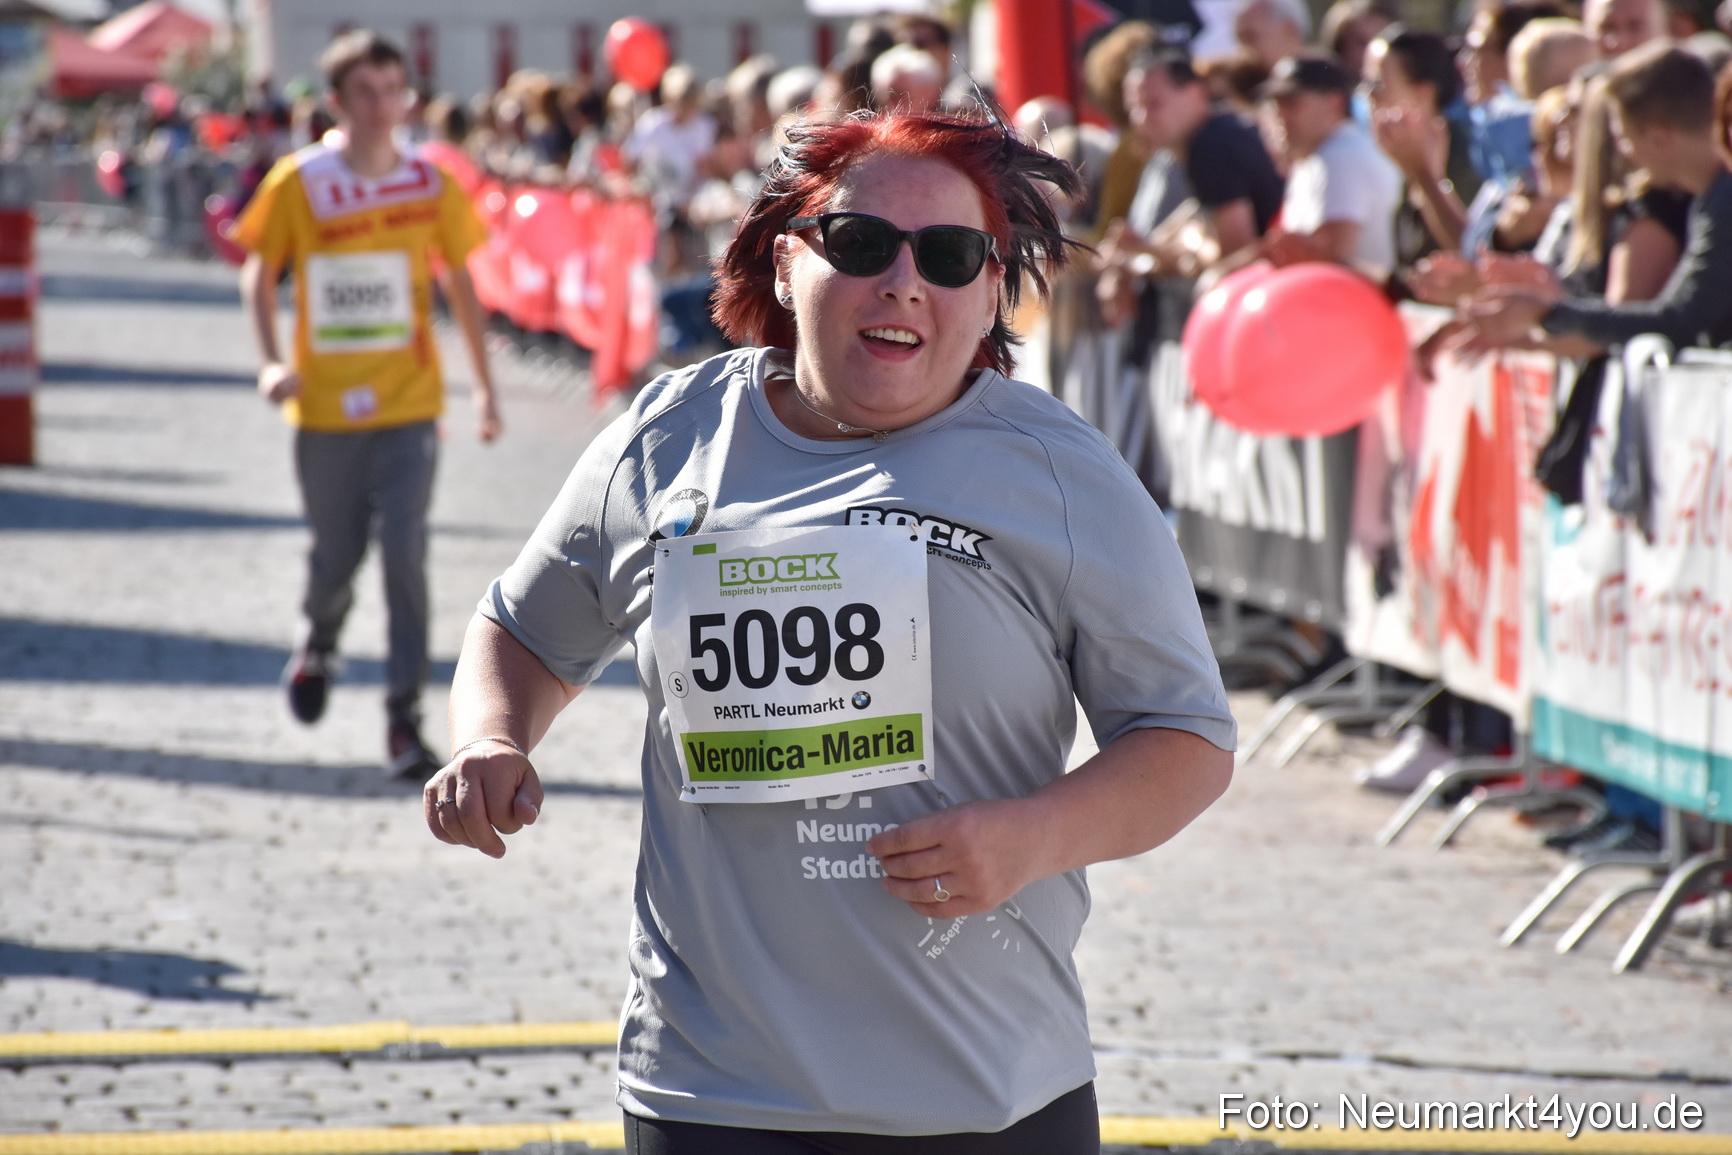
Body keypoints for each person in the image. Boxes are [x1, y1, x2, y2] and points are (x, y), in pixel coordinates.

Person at [423, 111, 1236, 1152]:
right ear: (785, 257)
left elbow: (1185, 739)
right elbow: (523, 630)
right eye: (859, 244)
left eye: (948, 256)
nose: (903, 282)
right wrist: (493, 739)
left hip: (983, 1093)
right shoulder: (672, 434)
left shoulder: (1059, 473)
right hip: (709, 1093)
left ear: (990, 293)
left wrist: (1036, 836)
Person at [234, 29, 500, 778]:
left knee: (405, 555)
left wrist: (482, 386)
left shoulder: (430, 184)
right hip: (322, 406)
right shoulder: (300, 181)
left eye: (393, 91)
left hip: (409, 404)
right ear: (337, 101)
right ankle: (318, 640)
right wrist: (270, 362)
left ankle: (402, 720)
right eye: (366, 93)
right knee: (336, 555)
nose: (383, 107)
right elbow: (259, 273)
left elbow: (461, 285)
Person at [1466, 42, 1732, 351]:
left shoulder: (1723, 201)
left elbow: (1678, 322)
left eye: (1623, 137)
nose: (1624, 154)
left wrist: (1546, 312)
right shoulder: (1713, 199)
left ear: (1659, 137)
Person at [1260, 53, 1402, 277]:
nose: (1280, 115)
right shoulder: (1318, 155)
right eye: (1276, 104)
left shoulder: (1342, 157)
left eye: (1291, 102)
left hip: (1358, 306)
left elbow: (1334, 262)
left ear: (1334, 102)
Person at [1234, 0, 1310, 71]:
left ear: (1288, 30)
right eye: (1240, 38)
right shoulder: (1236, 82)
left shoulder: (1318, 79)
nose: (1243, 50)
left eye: (1250, 36)